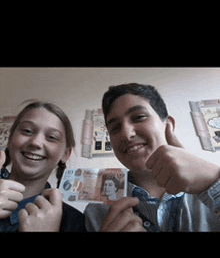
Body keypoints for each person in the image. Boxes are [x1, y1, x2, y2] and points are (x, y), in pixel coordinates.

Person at [84, 83, 220, 231]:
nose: (126, 134)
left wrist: (215, 183)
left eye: (139, 117)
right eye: (115, 128)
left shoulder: (210, 186)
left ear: (169, 125)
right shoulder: (96, 213)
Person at [0, 101, 86, 232]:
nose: (36, 142)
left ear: (66, 154)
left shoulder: (75, 223)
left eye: (52, 137)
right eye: (27, 131)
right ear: (11, 138)